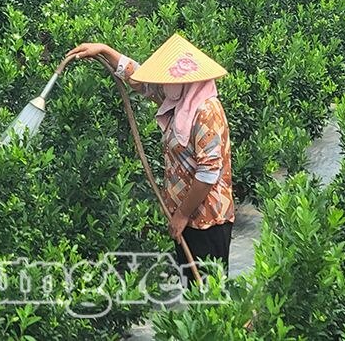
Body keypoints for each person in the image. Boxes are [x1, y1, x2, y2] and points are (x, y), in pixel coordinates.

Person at [66, 34, 234, 280]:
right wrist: (105, 50)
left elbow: (208, 173)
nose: (163, 85)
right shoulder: (179, 100)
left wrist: (182, 214)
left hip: (207, 219)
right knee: (195, 292)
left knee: (210, 293)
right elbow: (142, 82)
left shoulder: (206, 110)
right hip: (185, 216)